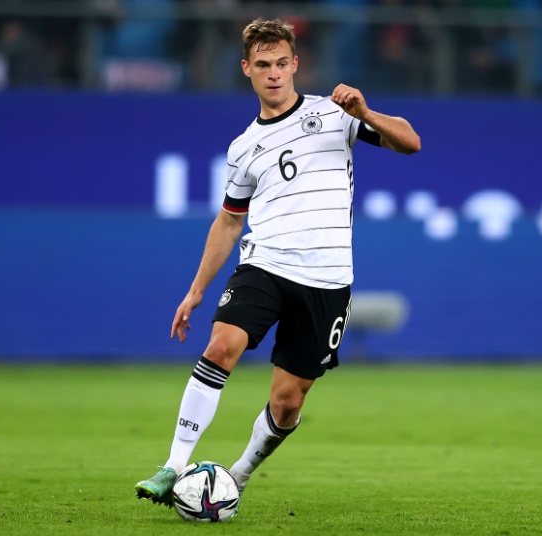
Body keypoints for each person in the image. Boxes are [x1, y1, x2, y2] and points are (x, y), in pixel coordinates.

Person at [134, 17, 421, 514]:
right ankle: (173, 466)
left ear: (295, 65)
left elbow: (411, 142)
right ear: (246, 69)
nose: (273, 73)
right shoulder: (243, 148)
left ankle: (237, 476)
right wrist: (196, 290)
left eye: (281, 63)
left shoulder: (334, 113)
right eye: (262, 64)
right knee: (221, 345)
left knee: (288, 402)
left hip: (327, 280)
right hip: (264, 264)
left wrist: (366, 112)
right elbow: (229, 222)